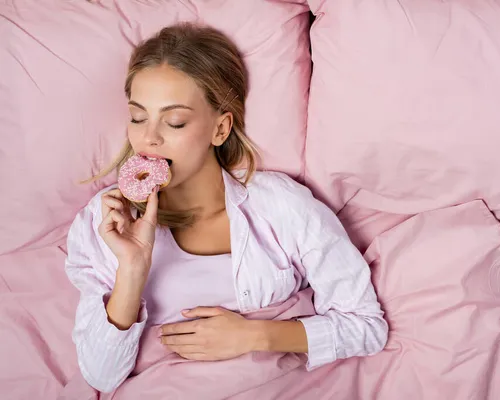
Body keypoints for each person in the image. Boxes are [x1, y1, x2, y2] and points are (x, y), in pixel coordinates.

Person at [65, 23, 388, 393]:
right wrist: (132, 269)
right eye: (138, 117)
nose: (148, 138)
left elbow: (366, 326)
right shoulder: (104, 222)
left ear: (220, 129)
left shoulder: (282, 206)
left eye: (175, 122)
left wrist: (255, 336)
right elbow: (101, 375)